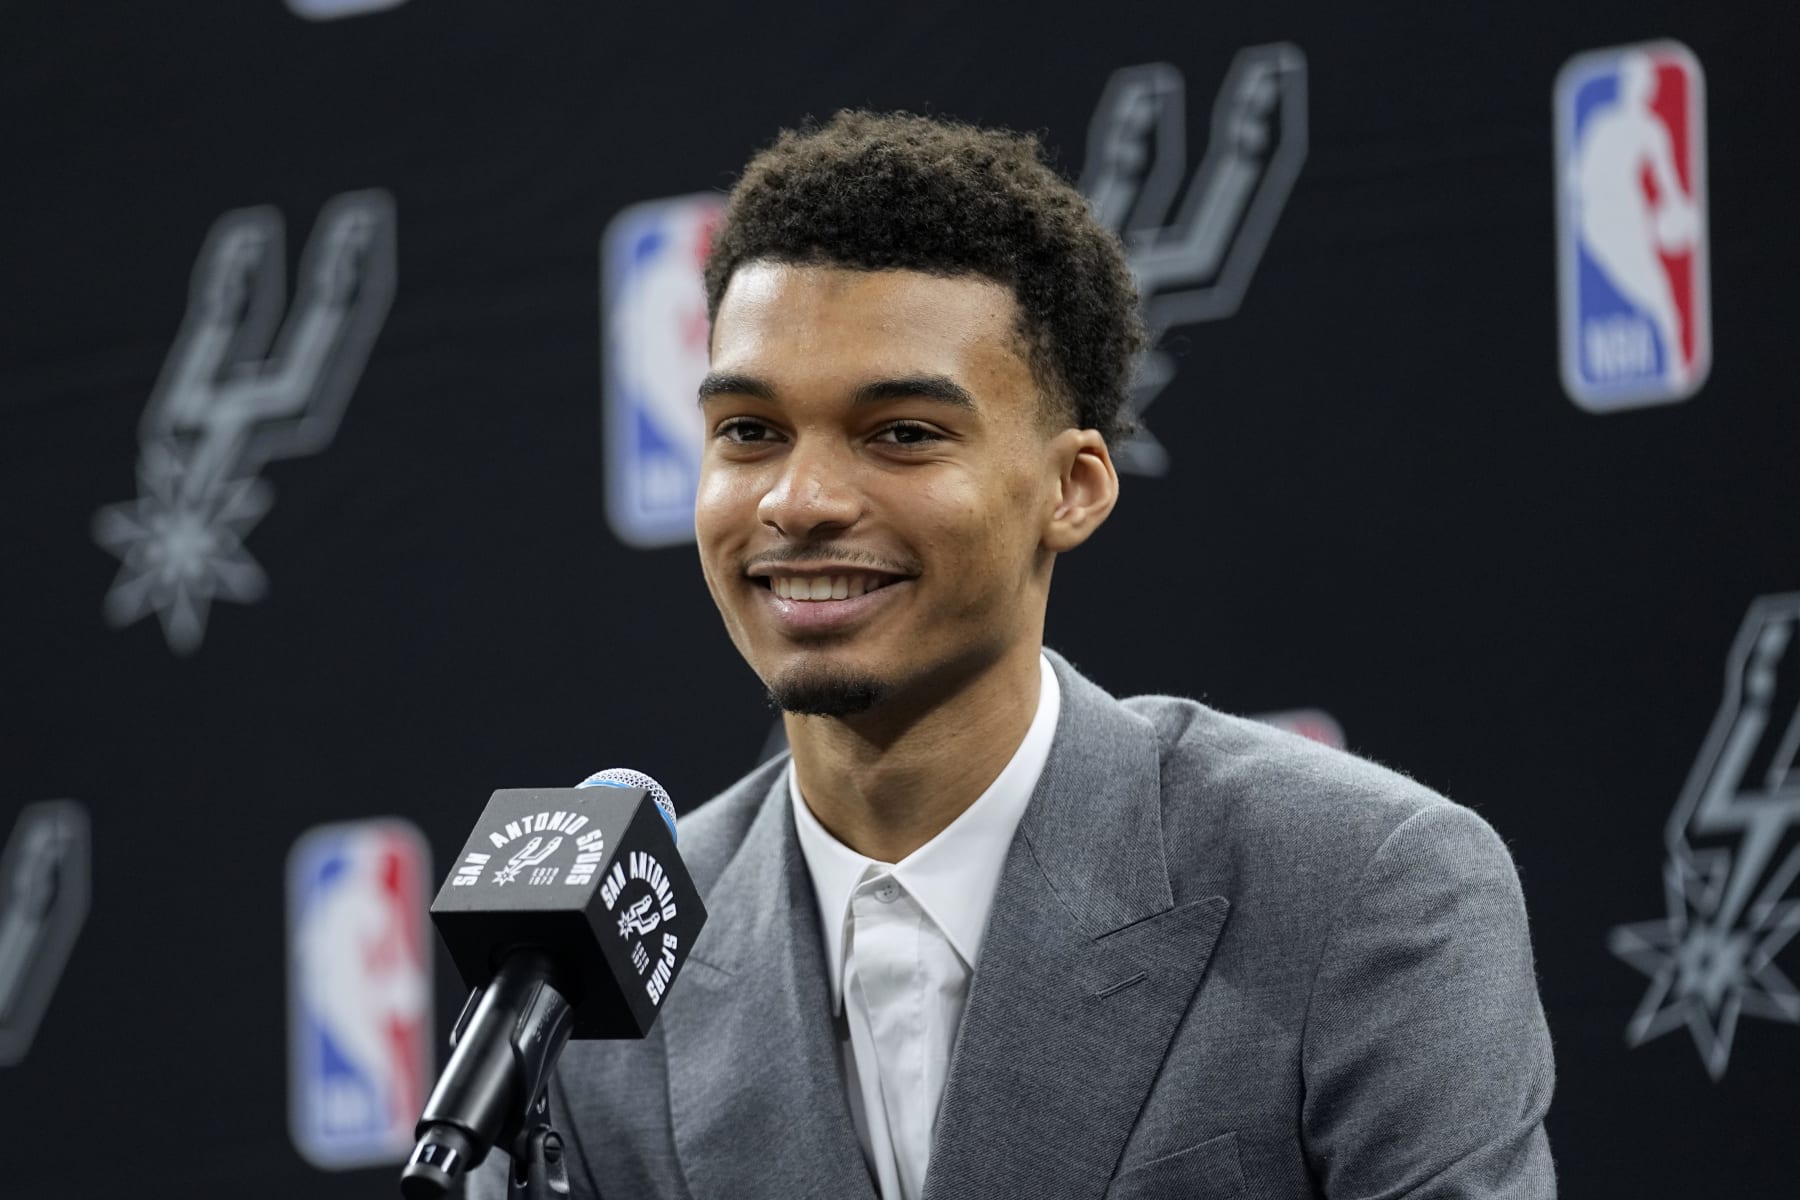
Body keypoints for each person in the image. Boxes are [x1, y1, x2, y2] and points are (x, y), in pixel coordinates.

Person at [471, 110, 1555, 1199]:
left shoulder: (1361, 886)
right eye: (749, 431)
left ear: (1072, 487)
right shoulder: (607, 977)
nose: (799, 501)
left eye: (902, 433)